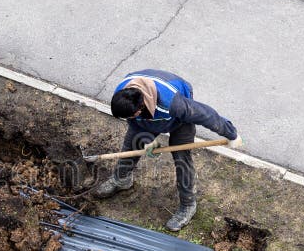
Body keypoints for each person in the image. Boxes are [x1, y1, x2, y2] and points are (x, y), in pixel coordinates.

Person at [94, 69, 243, 231]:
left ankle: (188, 205)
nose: (128, 119)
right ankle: (121, 179)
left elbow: (207, 115)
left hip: (178, 119)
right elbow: (132, 121)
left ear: (139, 109)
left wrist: (231, 134)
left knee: (182, 159)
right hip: (145, 117)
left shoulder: (174, 104)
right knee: (131, 145)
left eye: (130, 116)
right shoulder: (123, 95)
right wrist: (146, 141)